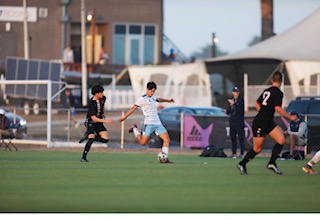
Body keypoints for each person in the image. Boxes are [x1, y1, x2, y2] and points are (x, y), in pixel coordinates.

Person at [237, 71, 297, 175]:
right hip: (260, 122)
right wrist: (290, 117)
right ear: (282, 81)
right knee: (257, 149)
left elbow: (257, 103)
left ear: (271, 80)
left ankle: (272, 163)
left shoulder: (267, 91)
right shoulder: (278, 93)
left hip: (267, 121)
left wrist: (263, 113)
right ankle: (242, 163)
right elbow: (277, 108)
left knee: (281, 140)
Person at [119, 82, 175, 163]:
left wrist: (167, 100)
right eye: (151, 91)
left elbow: (158, 99)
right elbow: (132, 108)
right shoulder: (142, 99)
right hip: (149, 124)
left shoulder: (152, 97)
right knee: (142, 143)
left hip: (158, 123)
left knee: (166, 139)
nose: (152, 93)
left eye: (153, 91)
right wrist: (124, 117)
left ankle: (165, 158)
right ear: (147, 89)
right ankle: (134, 129)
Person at [79, 85, 114, 162]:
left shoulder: (103, 99)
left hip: (99, 122)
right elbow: (93, 118)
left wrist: (102, 114)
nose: (102, 94)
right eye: (101, 92)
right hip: (91, 122)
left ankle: (88, 136)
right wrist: (106, 121)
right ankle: (83, 157)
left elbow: (101, 108)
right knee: (91, 139)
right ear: (96, 93)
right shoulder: (91, 103)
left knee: (105, 139)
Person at [225, 86, 245, 159]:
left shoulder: (240, 100)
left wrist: (234, 104)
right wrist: (226, 111)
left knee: (240, 138)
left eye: (237, 92)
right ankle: (234, 153)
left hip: (239, 122)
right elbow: (230, 111)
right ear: (232, 93)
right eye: (235, 92)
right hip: (232, 121)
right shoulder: (232, 100)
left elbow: (240, 109)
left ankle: (242, 153)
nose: (236, 93)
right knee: (233, 137)